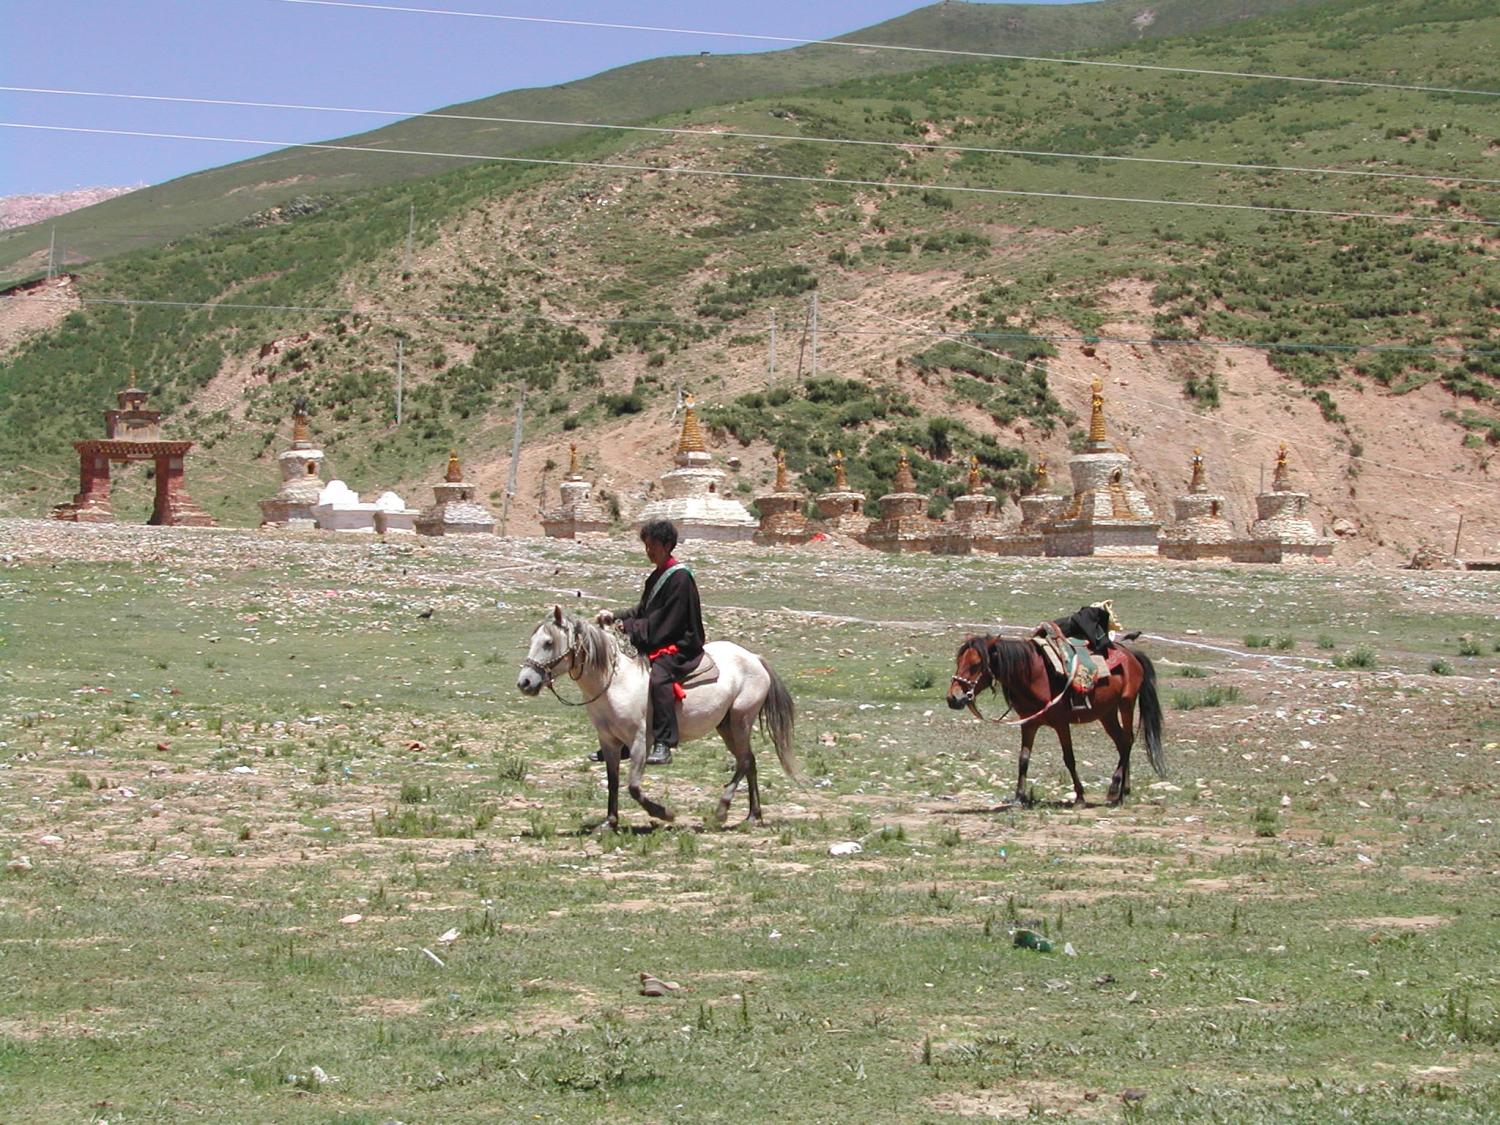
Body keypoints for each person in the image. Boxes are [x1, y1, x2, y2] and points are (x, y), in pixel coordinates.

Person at [593, 519, 705, 765]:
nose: (648, 551)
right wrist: (617, 616)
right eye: (646, 545)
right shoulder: (657, 576)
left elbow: (669, 621)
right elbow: (643, 610)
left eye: (652, 545)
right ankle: (625, 739)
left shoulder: (680, 578)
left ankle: (663, 743)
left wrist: (633, 628)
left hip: (680, 643)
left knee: (660, 676)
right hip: (660, 636)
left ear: (667, 545)